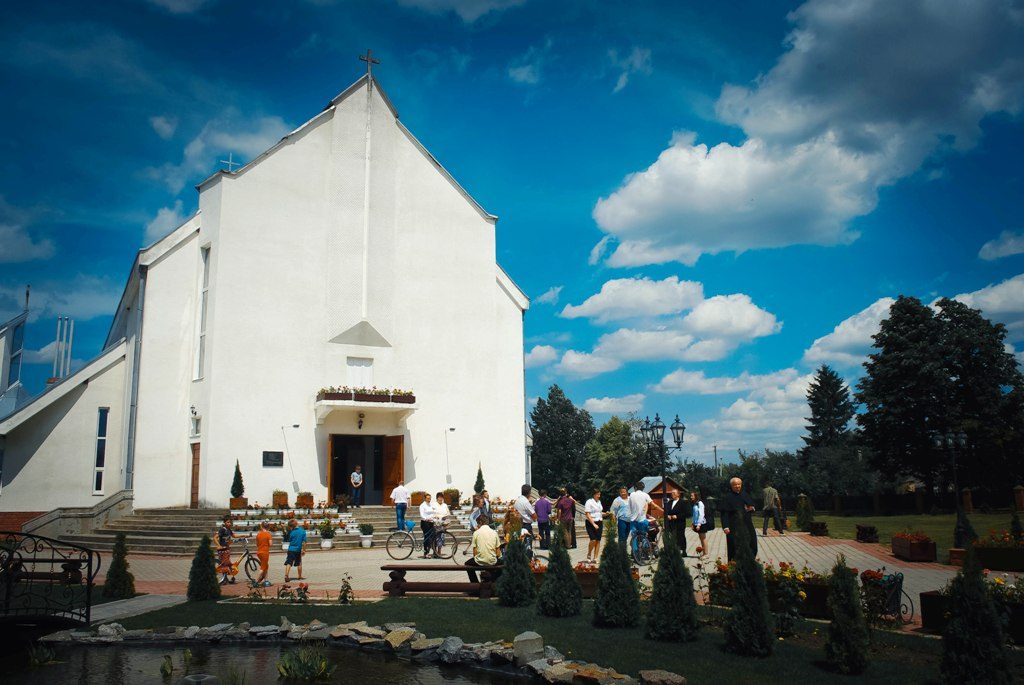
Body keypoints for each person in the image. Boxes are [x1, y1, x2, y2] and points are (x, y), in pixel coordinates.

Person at [721, 477, 757, 561]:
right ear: (731, 486)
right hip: (733, 526)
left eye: (739, 484)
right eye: (735, 485)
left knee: (752, 545)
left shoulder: (745, 494)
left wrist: (752, 508)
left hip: (747, 525)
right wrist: (725, 526)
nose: (737, 486)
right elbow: (724, 513)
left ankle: (750, 564)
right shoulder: (728, 497)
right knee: (734, 548)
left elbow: (752, 505)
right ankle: (734, 566)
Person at [465, 514, 501, 583]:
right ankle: (495, 582)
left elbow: (475, 553)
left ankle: (475, 583)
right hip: (492, 561)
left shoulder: (476, 533)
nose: (477, 525)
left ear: (480, 522)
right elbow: (498, 553)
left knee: (467, 564)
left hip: (479, 561)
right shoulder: (494, 533)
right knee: (502, 564)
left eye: (477, 523)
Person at [627, 481, 652, 556]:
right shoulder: (645, 495)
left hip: (633, 520)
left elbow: (629, 506)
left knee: (634, 537)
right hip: (642, 519)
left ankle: (635, 553)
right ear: (643, 488)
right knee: (644, 536)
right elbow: (651, 503)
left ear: (635, 488)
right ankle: (646, 551)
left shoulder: (632, 494)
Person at [216, 517, 239, 585]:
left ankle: (225, 579)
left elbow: (234, 536)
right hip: (222, 550)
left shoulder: (229, 530)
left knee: (227, 564)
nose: (229, 523)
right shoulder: (222, 529)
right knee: (225, 564)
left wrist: (244, 535)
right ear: (224, 523)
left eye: (230, 522)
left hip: (227, 549)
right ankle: (224, 579)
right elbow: (215, 538)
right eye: (228, 522)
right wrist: (219, 545)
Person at [584, 489, 603, 561]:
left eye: (599, 494)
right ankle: (589, 553)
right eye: (598, 494)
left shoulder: (599, 502)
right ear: (594, 495)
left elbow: (599, 512)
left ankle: (595, 557)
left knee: (598, 540)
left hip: (599, 522)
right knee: (593, 539)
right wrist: (594, 524)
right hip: (590, 523)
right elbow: (587, 514)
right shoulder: (589, 502)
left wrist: (606, 514)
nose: (599, 496)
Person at [419, 492, 437, 558]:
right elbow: (422, 515)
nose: (429, 499)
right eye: (428, 498)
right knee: (426, 538)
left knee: (434, 536)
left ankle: (434, 552)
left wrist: (435, 518)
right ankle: (426, 553)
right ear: (425, 498)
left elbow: (434, 512)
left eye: (430, 498)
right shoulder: (422, 505)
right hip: (425, 523)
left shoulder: (431, 505)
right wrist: (426, 519)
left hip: (431, 522)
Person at [255, 521, 273, 587]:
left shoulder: (258, 534)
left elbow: (257, 544)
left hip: (259, 552)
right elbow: (270, 544)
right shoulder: (268, 534)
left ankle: (266, 580)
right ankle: (256, 581)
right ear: (268, 527)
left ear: (261, 526)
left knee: (266, 566)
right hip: (265, 552)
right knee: (263, 567)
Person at [690, 491, 707, 557]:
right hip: (696, 523)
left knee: (703, 539)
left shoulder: (700, 503)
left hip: (701, 524)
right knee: (701, 538)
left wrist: (699, 524)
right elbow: (694, 514)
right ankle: (704, 553)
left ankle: (706, 554)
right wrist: (693, 523)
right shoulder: (695, 504)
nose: (691, 497)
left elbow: (701, 514)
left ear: (696, 496)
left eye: (692, 496)